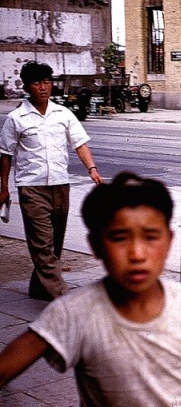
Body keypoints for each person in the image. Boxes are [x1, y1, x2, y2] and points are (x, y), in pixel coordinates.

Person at [0, 172, 181, 406]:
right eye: (119, 238)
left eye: (150, 237)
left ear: (169, 241)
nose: (137, 254)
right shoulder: (74, 312)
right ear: (96, 245)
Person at [0, 61, 103, 302]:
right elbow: (5, 155)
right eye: (37, 83)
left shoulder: (63, 114)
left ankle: (39, 288)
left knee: (54, 242)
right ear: (27, 86)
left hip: (60, 185)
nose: (43, 87)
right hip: (32, 187)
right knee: (42, 244)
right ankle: (62, 299)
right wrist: (3, 188)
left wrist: (92, 169)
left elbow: (79, 143)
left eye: (47, 82)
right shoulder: (16, 118)